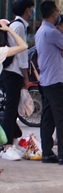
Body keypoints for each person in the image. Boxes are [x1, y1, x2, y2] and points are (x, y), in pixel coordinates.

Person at [35, 1, 63, 165]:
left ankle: (47, 152)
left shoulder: (41, 31)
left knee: (48, 118)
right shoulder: (52, 32)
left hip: (47, 79)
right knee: (62, 117)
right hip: (56, 80)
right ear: (54, 14)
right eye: (57, 12)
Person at [1, 0, 34, 148]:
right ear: (28, 9)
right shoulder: (19, 26)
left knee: (11, 107)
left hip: (9, 71)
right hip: (13, 72)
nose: (33, 12)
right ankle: (7, 140)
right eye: (32, 9)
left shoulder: (15, 25)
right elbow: (22, 52)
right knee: (11, 108)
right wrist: (26, 76)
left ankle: (11, 136)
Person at [0, 18, 29, 157]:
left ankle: (7, 145)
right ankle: (6, 146)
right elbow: (23, 46)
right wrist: (9, 30)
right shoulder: (1, 52)